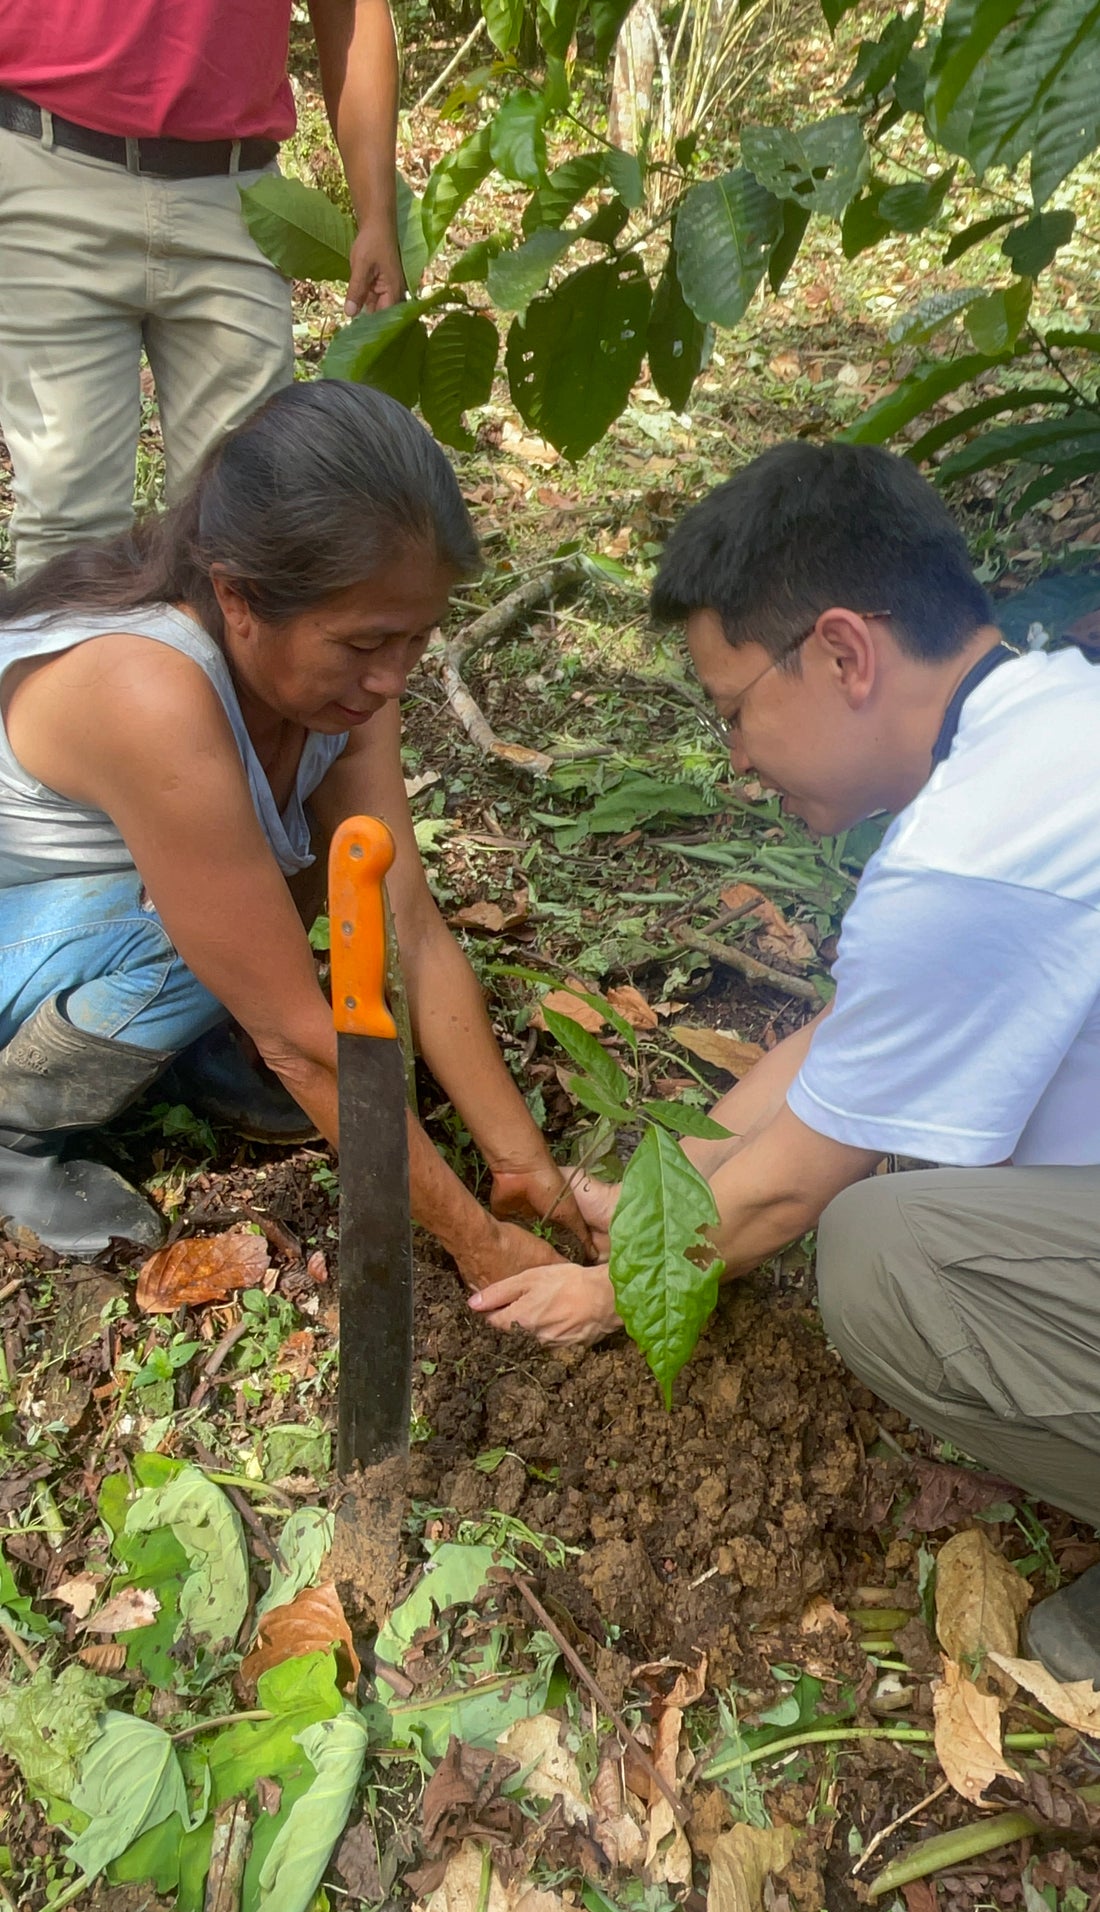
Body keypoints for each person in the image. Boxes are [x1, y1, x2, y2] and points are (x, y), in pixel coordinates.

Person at [470, 440, 1100, 1683]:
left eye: (733, 711)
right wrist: (663, 1187)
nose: (735, 761)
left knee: (883, 1252)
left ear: (842, 654)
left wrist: (615, 1295)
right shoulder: (1044, 732)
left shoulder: (964, 862)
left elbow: (798, 1184)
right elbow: (852, 1046)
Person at [0, 378, 588, 1291]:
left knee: (301, 866)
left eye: (417, 638)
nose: (393, 678)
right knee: (196, 931)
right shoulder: (146, 693)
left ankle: (185, 1043)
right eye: (364, 644)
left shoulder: (348, 684)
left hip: (64, 914)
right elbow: (300, 1036)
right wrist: (479, 1245)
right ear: (239, 596)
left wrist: (526, 1173)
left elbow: (409, 929)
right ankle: (13, 1138)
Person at [0, 0, 404, 575]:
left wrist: (377, 215)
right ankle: (80, 669)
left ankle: (197, 668)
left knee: (239, 524)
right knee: (70, 534)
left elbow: (351, 13)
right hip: (49, 165)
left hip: (234, 197)